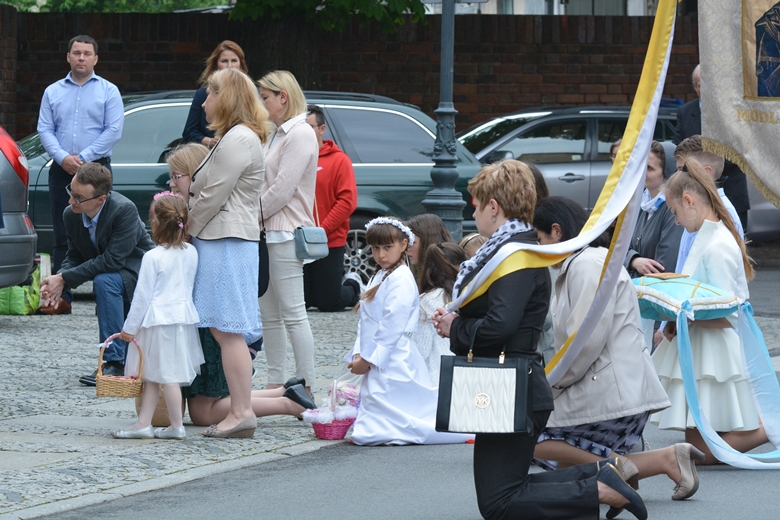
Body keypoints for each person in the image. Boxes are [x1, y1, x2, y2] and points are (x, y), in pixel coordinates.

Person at [433, 160, 648, 520]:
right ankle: (600, 478)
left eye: (477, 202)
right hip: (514, 381)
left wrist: (455, 327)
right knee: (506, 492)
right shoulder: (516, 249)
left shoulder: (513, 254)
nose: (474, 211)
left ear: (493, 206)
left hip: (513, 383)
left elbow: (500, 326)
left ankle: (600, 486)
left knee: (499, 502)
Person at [532, 196, 705, 513]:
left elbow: (584, 342)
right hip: (613, 385)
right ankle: (665, 459)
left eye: (539, 237)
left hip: (608, 389)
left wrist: (550, 386)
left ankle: (629, 468)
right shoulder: (589, 262)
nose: (538, 246)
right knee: (559, 464)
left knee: (535, 439)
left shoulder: (586, 265)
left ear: (556, 231)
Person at [164, 144, 312, 425]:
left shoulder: (204, 217)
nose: (171, 183)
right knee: (206, 408)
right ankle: (285, 392)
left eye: (177, 176)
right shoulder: (193, 214)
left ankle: (287, 403)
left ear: (196, 176)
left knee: (203, 413)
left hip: (214, 329)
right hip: (207, 326)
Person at [652, 159, 771, 464]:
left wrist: (679, 320)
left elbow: (724, 312)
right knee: (697, 448)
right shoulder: (707, 236)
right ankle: (769, 425)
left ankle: (771, 428)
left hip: (714, 348)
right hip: (703, 343)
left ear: (689, 201)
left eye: (676, 213)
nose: (676, 222)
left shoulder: (716, 245)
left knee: (700, 453)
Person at [187, 67, 272, 438]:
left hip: (225, 241)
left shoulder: (238, 138)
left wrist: (185, 232)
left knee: (228, 330)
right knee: (226, 329)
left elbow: (211, 197)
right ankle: (240, 411)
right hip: (225, 240)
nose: (204, 103)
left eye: (210, 94)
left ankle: (241, 411)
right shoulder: (234, 137)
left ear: (228, 98)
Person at [345, 217, 470, 446]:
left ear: (404, 245)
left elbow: (392, 325)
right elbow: (366, 321)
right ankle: (374, 428)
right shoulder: (381, 274)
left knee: (393, 399)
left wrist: (369, 358)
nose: (381, 254)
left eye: (387, 247)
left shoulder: (401, 278)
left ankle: (379, 430)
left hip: (392, 353)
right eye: (375, 248)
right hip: (377, 351)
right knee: (380, 398)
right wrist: (359, 352)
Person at [39, 162, 154, 385]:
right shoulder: (71, 214)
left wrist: (64, 279)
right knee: (105, 279)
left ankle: (115, 363)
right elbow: (74, 255)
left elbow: (112, 260)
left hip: (137, 273)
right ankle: (115, 360)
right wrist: (60, 281)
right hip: (112, 272)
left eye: (79, 198)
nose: (71, 201)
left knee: (104, 281)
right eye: (71, 193)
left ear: (101, 199)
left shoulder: (123, 209)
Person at [37, 34, 124, 315]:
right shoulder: (52, 92)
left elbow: (113, 130)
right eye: (76, 53)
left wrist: (83, 160)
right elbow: (44, 129)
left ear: (96, 59)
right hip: (62, 171)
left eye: (87, 53)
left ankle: (107, 295)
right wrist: (63, 158)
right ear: (68, 56)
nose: (81, 58)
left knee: (104, 232)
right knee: (63, 234)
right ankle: (63, 299)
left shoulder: (109, 91)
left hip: (97, 172)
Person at [112, 193, 204, 440]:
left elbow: (142, 297)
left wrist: (129, 328)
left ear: (156, 223)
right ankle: (144, 423)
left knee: (167, 376)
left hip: (157, 322)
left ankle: (176, 425)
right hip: (181, 321)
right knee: (153, 375)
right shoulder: (192, 252)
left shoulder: (152, 257)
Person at [256, 70, 319, 396]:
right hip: (268, 230)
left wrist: (250, 217)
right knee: (269, 313)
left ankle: (305, 382)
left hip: (283, 230)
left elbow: (282, 190)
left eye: (265, 96)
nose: (261, 102)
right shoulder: (278, 133)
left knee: (293, 312)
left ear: (283, 96)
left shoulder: (300, 133)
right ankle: (276, 381)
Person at [674, 64, 750, 231]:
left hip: (730, 193)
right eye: (702, 85)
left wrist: (706, 166)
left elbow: (741, 149)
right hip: (693, 194)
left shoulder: (734, 111)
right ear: (696, 87)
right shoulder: (685, 112)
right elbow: (677, 148)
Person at [302, 104, 361, 312]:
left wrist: (322, 231)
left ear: (321, 129)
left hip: (329, 241)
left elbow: (347, 202)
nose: (305, 132)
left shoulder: (339, 161)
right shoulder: (295, 157)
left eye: (310, 127)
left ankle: (353, 284)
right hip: (298, 241)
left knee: (329, 303)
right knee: (303, 302)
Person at [413, 242, 466, 385]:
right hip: (467, 371)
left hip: (437, 376)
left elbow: (422, 350)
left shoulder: (425, 301)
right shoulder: (468, 295)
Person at [181, 40, 248, 148]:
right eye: (224, 61)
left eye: (234, 60)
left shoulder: (250, 93)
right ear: (216, 64)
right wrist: (209, 141)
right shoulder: (203, 94)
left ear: (241, 64)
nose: (230, 65)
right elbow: (189, 132)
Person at [406, 214, 454, 282]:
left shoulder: (443, 278)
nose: (407, 249)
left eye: (413, 242)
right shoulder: (414, 273)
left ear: (427, 242)